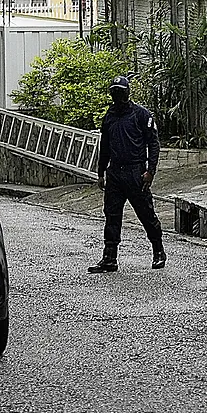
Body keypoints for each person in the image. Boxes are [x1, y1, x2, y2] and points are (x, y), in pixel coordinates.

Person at [88, 75, 167, 273]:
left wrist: (150, 171)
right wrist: (100, 172)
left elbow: (153, 143)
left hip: (135, 172)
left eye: (121, 92)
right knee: (112, 216)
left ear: (127, 92)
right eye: (114, 92)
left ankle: (158, 251)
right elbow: (104, 146)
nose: (118, 96)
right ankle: (109, 258)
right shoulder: (109, 116)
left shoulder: (141, 114)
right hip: (115, 172)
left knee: (146, 214)